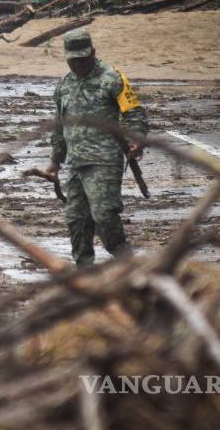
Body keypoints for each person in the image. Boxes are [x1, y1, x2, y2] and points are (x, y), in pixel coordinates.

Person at [44, 29, 148, 268]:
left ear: (93, 53)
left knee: (104, 215)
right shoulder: (64, 85)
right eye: (73, 59)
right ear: (66, 57)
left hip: (105, 160)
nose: (78, 64)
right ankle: (84, 269)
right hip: (76, 163)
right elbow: (60, 124)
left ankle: (126, 261)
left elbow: (134, 113)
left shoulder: (112, 78)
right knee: (76, 219)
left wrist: (137, 139)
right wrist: (55, 159)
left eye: (83, 58)